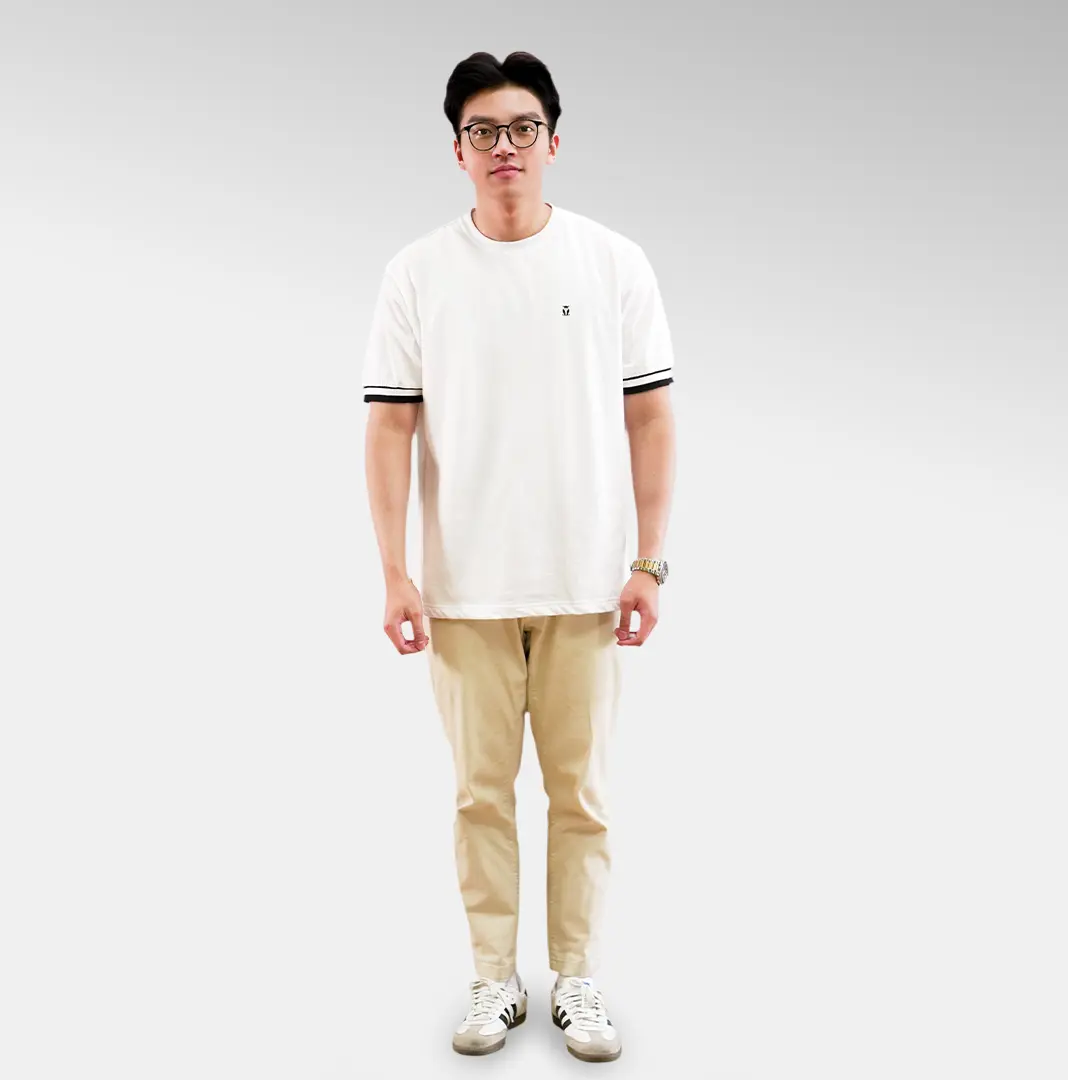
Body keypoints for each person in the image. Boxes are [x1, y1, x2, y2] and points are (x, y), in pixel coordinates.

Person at [361, 50, 676, 1063]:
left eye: (523, 128)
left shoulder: (613, 262)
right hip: (465, 591)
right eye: (485, 131)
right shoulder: (417, 273)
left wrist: (650, 561)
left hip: (586, 583)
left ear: (554, 140)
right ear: (458, 150)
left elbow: (651, 418)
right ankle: (494, 979)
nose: (506, 147)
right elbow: (390, 428)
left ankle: (576, 976)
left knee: (581, 798)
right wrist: (396, 572)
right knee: (479, 797)